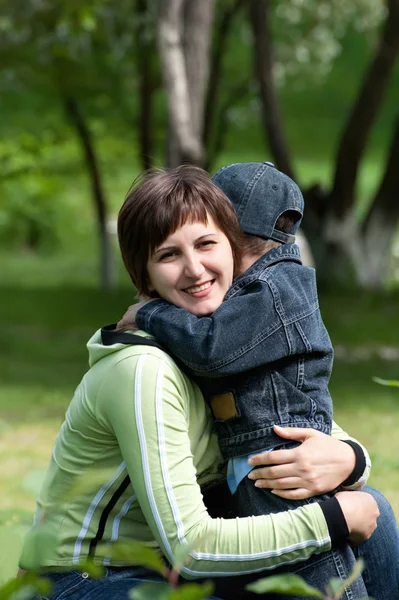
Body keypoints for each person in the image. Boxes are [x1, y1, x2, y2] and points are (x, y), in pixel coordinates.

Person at [19, 165, 395, 600]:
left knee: (377, 512)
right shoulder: (143, 369)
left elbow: (297, 419)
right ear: (144, 274)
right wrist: (333, 520)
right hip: (91, 577)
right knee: (335, 524)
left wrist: (351, 459)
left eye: (206, 244)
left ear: (232, 248)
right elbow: (190, 547)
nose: (195, 269)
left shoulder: (226, 342)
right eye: (168, 255)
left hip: (176, 568)